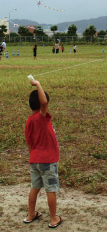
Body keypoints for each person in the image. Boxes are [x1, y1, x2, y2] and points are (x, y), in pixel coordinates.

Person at [24, 78, 62, 228]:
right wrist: (37, 84)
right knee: (50, 189)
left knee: (35, 187)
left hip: (35, 160)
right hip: (48, 161)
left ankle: (31, 214)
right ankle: (54, 218)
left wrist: (33, 157)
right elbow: (44, 103)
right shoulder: (41, 117)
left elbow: (29, 143)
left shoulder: (29, 121)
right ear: (41, 104)